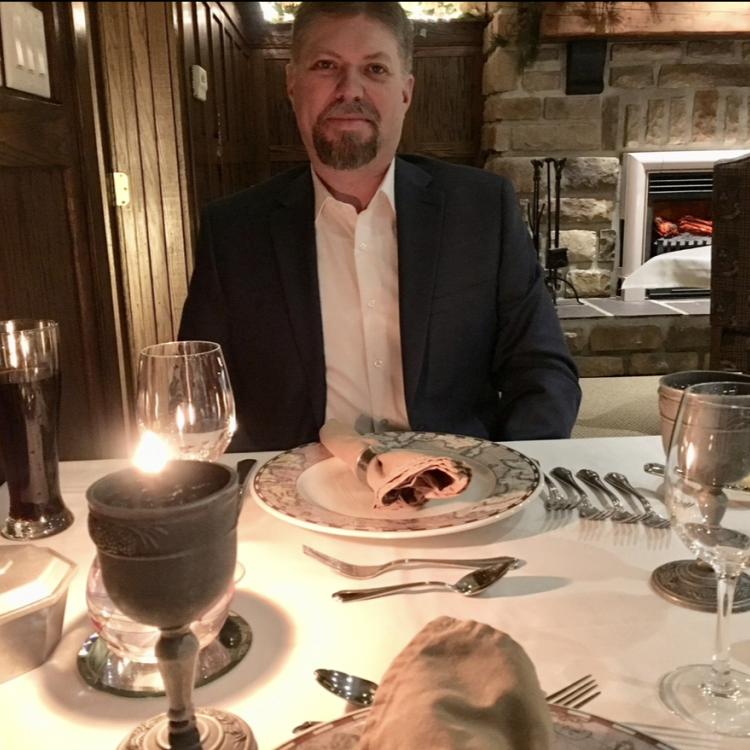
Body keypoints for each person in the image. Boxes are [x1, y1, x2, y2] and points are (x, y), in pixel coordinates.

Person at [179, 1, 580, 451]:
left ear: (406, 91)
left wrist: (512, 470)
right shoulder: (232, 230)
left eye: (375, 69)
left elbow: (542, 368)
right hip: (296, 491)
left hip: (459, 487)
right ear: (292, 83)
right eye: (326, 65)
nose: (350, 90)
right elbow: (198, 386)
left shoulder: (483, 209)